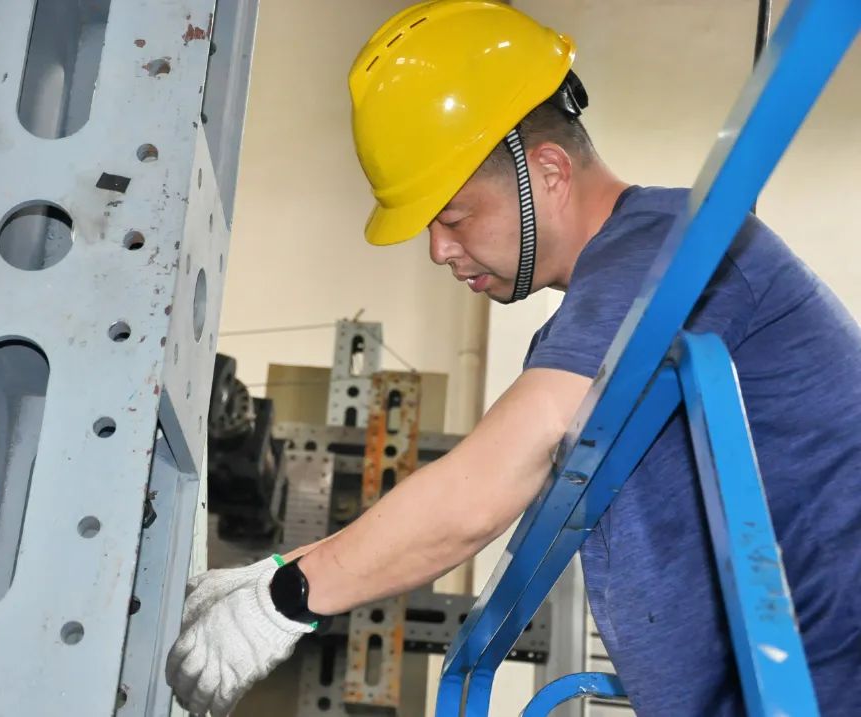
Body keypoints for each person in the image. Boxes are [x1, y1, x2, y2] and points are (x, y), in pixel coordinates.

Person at [165, 2, 861, 715]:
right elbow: (480, 483)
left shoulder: (670, 252)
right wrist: (274, 573)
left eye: (454, 217)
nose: (439, 249)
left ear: (549, 171)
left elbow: (486, 486)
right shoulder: (605, 308)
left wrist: (287, 598)